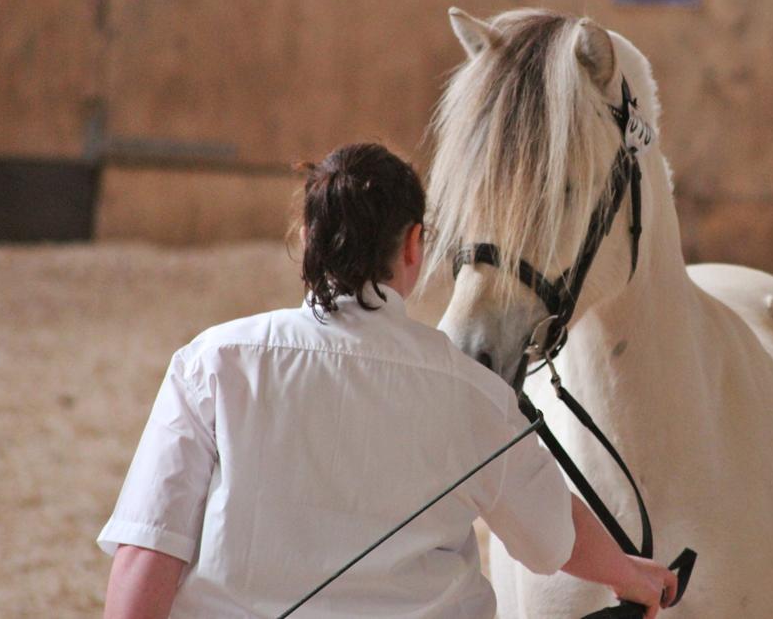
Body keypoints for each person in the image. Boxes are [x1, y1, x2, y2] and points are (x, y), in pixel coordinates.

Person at [98, 142, 677, 618]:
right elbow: (555, 536)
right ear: (413, 245)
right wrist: (632, 577)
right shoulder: (474, 392)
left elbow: (146, 556)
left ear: (305, 238)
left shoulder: (212, 363)